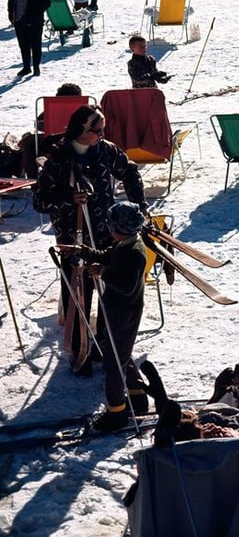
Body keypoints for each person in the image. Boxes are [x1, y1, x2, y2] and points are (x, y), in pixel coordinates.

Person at [33, 107, 148, 373]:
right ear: (81, 131)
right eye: (97, 131)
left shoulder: (106, 150)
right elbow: (39, 200)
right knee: (78, 294)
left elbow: (130, 172)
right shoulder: (59, 159)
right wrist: (66, 196)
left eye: (102, 130)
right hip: (74, 237)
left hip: (109, 236)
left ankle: (108, 346)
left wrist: (139, 205)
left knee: (111, 293)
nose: (102, 135)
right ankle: (80, 350)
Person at [63, 202, 149, 430]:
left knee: (113, 364)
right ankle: (137, 395)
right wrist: (81, 250)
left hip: (125, 311)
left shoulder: (134, 253)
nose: (109, 229)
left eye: (112, 226)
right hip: (116, 308)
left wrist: (102, 272)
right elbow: (106, 256)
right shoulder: (124, 243)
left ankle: (116, 413)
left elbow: (127, 285)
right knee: (119, 352)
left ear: (121, 228)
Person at [8, 0, 51, 77]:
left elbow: (47, 2)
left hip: (34, 21)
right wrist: (10, 12)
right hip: (19, 20)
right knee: (23, 45)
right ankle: (26, 67)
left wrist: (34, 14)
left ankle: (36, 67)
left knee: (35, 44)